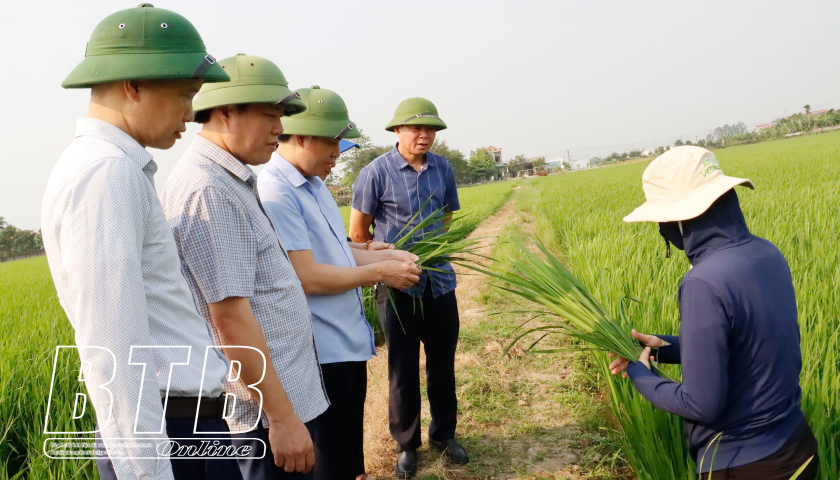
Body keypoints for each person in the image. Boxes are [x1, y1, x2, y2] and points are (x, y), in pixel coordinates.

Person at [41, 4, 242, 480]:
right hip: (166, 435)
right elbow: (112, 342)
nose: (190, 113)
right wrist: (147, 471)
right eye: (185, 95)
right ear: (133, 85)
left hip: (181, 427)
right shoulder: (106, 173)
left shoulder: (113, 167)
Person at [160, 55, 327, 479]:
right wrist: (282, 419)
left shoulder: (228, 178)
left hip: (280, 404)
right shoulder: (209, 190)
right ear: (226, 113)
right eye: (270, 115)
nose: (279, 129)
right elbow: (230, 320)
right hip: (264, 418)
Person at [610, 146, 819, 480]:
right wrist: (661, 346)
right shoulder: (767, 252)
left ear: (679, 219)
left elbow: (700, 404)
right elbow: (745, 344)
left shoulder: (703, 281)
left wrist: (639, 372)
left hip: (744, 465)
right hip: (799, 447)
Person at [257, 86, 423, 480]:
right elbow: (307, 276)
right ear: (301, 137)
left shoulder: (313, 184)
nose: (338, 153)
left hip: (343, 342)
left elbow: (336, 252)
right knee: (328, 460)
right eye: (331, 142)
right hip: (319, 351)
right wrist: (381, 272)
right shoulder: (276, 191)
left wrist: (386, 256)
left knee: (346, 455)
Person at [349, 97, 468, 478]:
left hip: (439, 281)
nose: (424, 135)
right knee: (402, 368)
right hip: (398, 287)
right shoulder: (375, 173)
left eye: (430, 128)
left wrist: (431, 253)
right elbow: (358, 233)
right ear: (397, 130)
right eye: (416, 128)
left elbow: (446, 216)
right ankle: (406, 444)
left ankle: (443, 435)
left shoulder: (442, 168)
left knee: (442, 363)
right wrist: (389, 262)